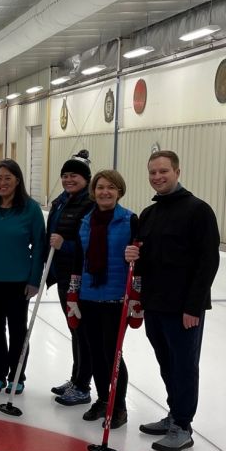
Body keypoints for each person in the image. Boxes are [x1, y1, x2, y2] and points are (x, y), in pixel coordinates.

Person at [125, 150, 221, 451]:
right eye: (152, 172)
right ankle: (174, 414)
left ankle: (183, 425)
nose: (157, 177)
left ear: (177, 172)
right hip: (155, 304)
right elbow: (147, 260)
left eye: (163, 171)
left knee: (184, 366)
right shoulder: (150, 214)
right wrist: (134, 258)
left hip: (183, 309)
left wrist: (194, 306)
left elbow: (208, 261)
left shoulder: (198, 211)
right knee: (167, 363)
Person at [0, 159, 47, 394]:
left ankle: (17, 376)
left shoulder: (31, 209)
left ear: (17, 180)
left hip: (18, 283)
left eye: (7, 178)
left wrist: (34, 280)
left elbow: (39, 247)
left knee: (17, 331)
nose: (2, 182)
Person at [76, 169, 137, 430]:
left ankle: (119, 405)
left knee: (112, 355)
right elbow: (81, 258)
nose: (105, 192)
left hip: (115, 297)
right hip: (89, 295)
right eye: (100, 187)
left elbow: (142, 259)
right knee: (95, 353)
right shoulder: (86, 222)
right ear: (94, 191)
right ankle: (103, 399)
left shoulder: (130, 220)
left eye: (111, 187)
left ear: (119, 191)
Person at [46, 154, 95, 406]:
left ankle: (83, 385)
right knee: (74, 329)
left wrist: (64, 245)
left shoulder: (89, 204)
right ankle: (77, 378)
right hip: (64, 275)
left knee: (83, 331)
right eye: (65, 175)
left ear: (85, 179)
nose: (68, 179)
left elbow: (91, 243)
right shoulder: (62, 201)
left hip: (80, 278)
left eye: (74, 175)